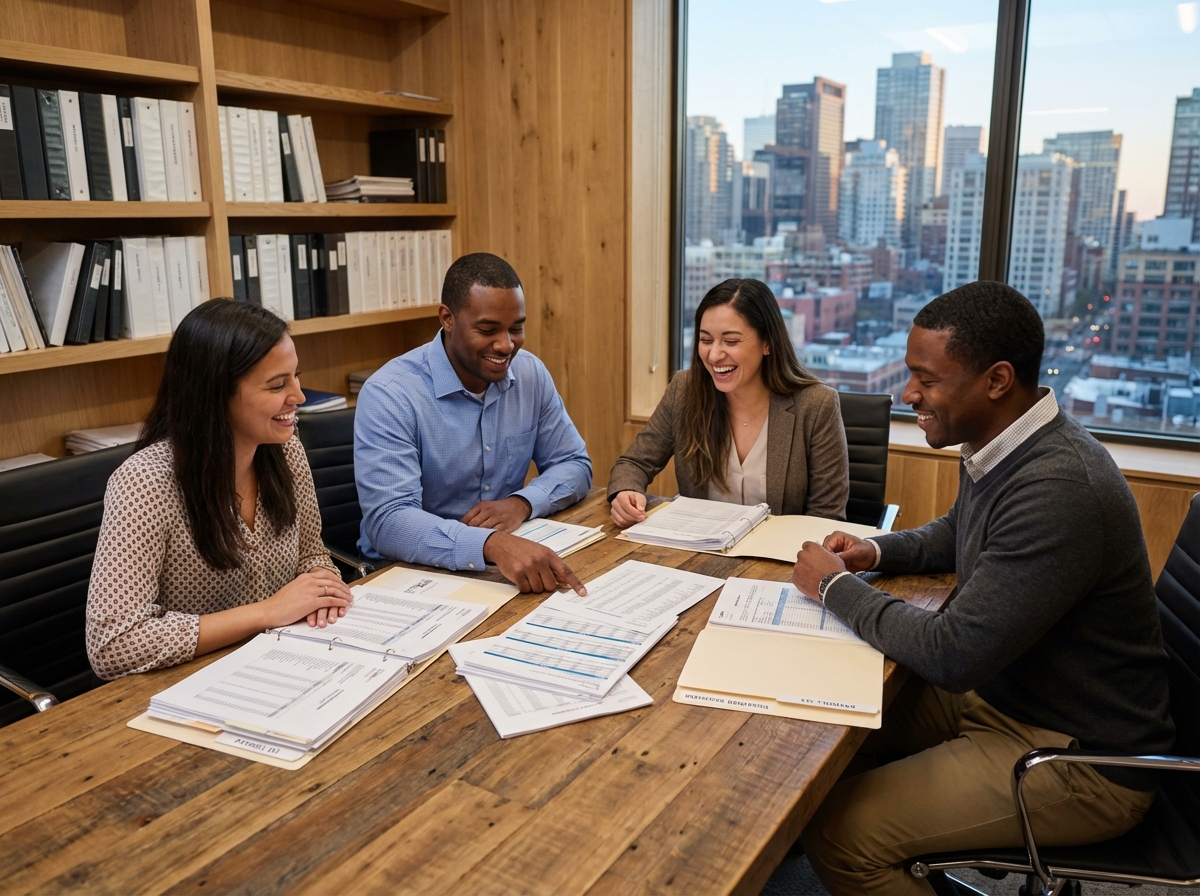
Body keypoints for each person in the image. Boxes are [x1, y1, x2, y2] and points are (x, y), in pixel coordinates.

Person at [791, 281, 1174, 896]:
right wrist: (876, 550)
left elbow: (954, 653)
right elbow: (957, 532)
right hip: (1014, 697)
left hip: (1079, 758)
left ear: (997, 381)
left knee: (841, 835)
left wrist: (836, 589)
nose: (909, 393)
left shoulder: (1059, 486)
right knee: (819, 729)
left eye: (927, 379)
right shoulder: (1007, 445)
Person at [87, 300, 352, 680]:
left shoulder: (284, 449)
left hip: (282, 664)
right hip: (185, 687)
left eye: (296, 376)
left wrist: (322, 592)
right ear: (215, 394)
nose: (299, 396)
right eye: (278, 384)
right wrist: (268, 612)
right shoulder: (145, 483)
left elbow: (312, 555)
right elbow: (114, 645)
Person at [355, 252, 593, 594]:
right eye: (488, 329)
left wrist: (521, 504)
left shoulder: (529, 373)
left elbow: (574, 464)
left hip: (503, 563)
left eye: (516, 328)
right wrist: (490, 543)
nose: (506, 345)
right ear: (447, 318)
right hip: (407, 572)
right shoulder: (391, 394)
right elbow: (389, 522)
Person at [608, 278, 849, 527]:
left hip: (779, 559)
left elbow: (826, 518)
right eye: (706, 340)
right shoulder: (684, 389)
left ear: (767, 343)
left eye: (731, 341)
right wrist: (626, 492)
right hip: (699, 549)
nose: (714, 355)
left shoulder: (817, 405)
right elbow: (634, 463)